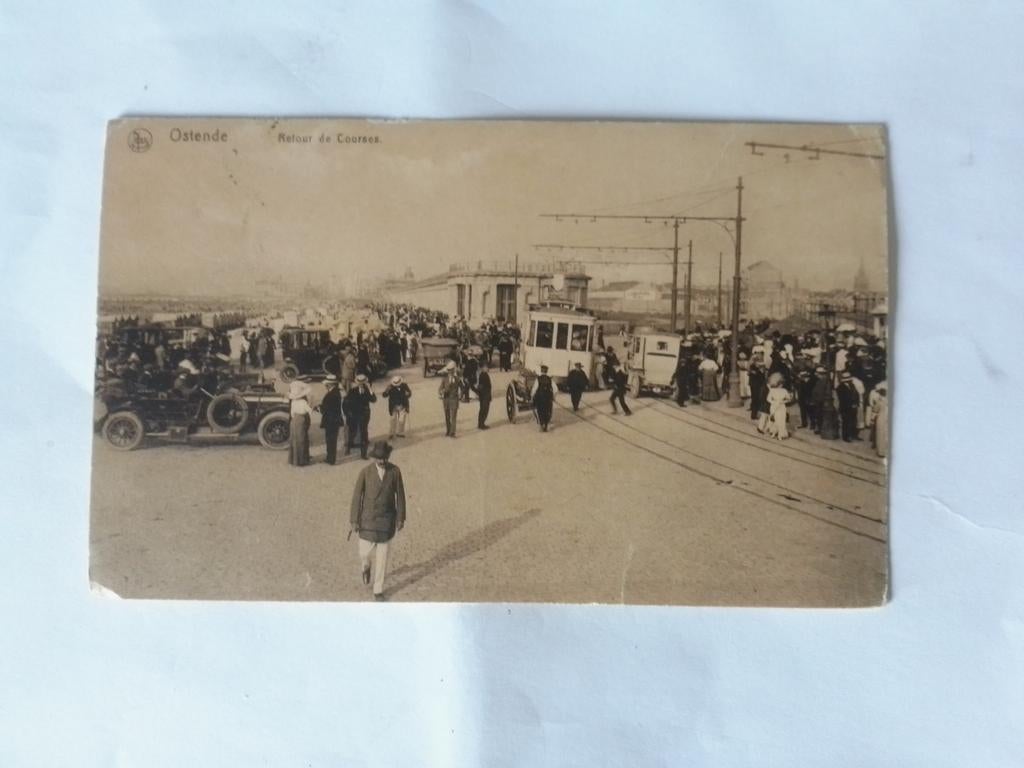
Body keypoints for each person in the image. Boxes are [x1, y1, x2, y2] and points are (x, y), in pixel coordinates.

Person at [350, 440, 406, 601]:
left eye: (384, 458)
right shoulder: (365, 472)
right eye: (379, 458)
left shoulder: (395, 472)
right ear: (374, 458)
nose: (381, 461)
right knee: (364, 553)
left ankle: (378, 589)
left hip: (386, 522)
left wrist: (400, 518)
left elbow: (400, 496)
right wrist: (354, 519)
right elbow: (356, 497)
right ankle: (365, 566)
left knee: (383, 556)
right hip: (367, 520)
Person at [344, 374, 377, 458]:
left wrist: (370, 389)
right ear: (357, 383)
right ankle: (348, 447)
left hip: (364, 415)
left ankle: (363, 454)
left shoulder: (367, 390)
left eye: (363, 383)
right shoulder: (352, 391)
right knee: (352, 432)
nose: (361, 384)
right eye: (360, 383)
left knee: (364, 433)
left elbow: (374, 400)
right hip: (354, 415)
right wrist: (348, 413)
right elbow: (346, 403)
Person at [319, 374, 344, 465]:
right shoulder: (335, 392)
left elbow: (327, 407)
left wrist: (319, 408)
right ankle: (330, 457)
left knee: (331, 440)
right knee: (331, 440)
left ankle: (331, 459)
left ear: (330, 384)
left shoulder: (332, 394)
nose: (325, 385)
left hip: (331, 420)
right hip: (334, 420)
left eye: (327, 384)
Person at [288, 378, 313, 466]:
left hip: (294, 421)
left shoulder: (293, 402)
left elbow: (292, 414)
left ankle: (294, 460)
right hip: (301, 420)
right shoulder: (303, 402)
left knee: (294, 440)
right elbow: (310, 411)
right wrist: (311, 404)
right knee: (302, 439)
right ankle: (302, 460)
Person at [382, 375, 412, 439]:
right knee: (393, 420)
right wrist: (387, 390)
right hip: (393, 406)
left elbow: (409, 393)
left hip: (402, 405)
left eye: (398, 384)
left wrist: (408, 394)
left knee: (402, 419)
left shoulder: (404, 385)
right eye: (395, 384)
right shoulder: (390, 387)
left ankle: (400, 432)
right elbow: (384, 395)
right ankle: (391, 433)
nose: (397, 385)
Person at [765, 372, 791, 440]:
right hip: (777, 407)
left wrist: (778, 402)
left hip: (778, 407)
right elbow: (768, 399)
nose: (781, 385)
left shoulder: (776, 390)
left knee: (778, 420)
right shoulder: (780, 391)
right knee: (778, 420)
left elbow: (788, 399)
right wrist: (778, 402)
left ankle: (777, 434)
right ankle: (777, 433)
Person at [438, 360, 461, 437]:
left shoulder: (457, 378)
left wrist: (461, 394)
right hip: (446, 400)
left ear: (454, 369)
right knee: (447, 416)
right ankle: (448, 430)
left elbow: (463, 387)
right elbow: (440, 388)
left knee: (453, 417)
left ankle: (452, 432)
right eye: (449, 370)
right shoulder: (444, 379)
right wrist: (441, 392)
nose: (450, 371)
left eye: (451, 369)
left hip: (454, 399)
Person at [836, 371, 861, 442]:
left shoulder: (852, 385)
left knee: (853, 422)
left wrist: (856, 403)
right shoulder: (840, 387)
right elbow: (843, 399)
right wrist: (851, 404)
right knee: (846, 422)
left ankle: (853, 435)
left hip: (853, 407)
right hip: (845, 407)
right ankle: (845, 436)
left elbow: (856, 394)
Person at [868, 380, 888, 458]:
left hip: (881, 418)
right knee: (886, 434)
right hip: (887, 418)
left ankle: (881, 451)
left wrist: (872, 419)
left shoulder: (879, 401)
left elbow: (875, 410)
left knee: (880, 435)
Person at [532, 365, 555, 431]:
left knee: (540, 411)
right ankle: (546, 425)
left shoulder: (538, 379)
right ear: (546, 371)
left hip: (540, 398)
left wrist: (532, 395)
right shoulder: (550, 379)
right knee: (547, 411)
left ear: (541, 371)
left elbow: (534, 389)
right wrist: (553, 396)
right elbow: (555, 389)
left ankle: (542, 424)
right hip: (548, 398)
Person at [474, 360, 492, 429]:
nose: (487, 368)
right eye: (486, 367)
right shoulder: (483, 375)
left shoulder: (484, 374)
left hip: (484, 395)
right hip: (484, 396)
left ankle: (481, 423)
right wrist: (480, 393)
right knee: (484, 410)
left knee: (483, 410)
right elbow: (481, 386)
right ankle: (481, 424)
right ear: (482, 368)